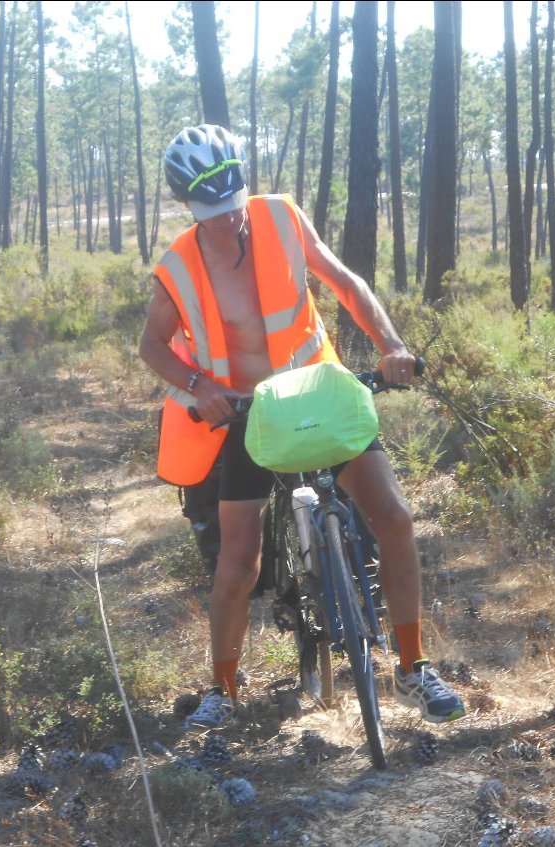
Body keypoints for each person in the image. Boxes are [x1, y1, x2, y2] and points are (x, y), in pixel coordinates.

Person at [139, 124, 465, 729]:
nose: (228, 220)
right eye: (211, 213)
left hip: (321, 391)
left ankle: (414, 668)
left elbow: (346, 283)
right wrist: (199, 388)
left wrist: (391, 345)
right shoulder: (177, 266)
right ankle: (224, 690)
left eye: (232, 205)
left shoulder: (281, 217)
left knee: (393, 516)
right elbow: (152, 345)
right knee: (239, 563)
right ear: (186, 205)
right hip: (249, 413)